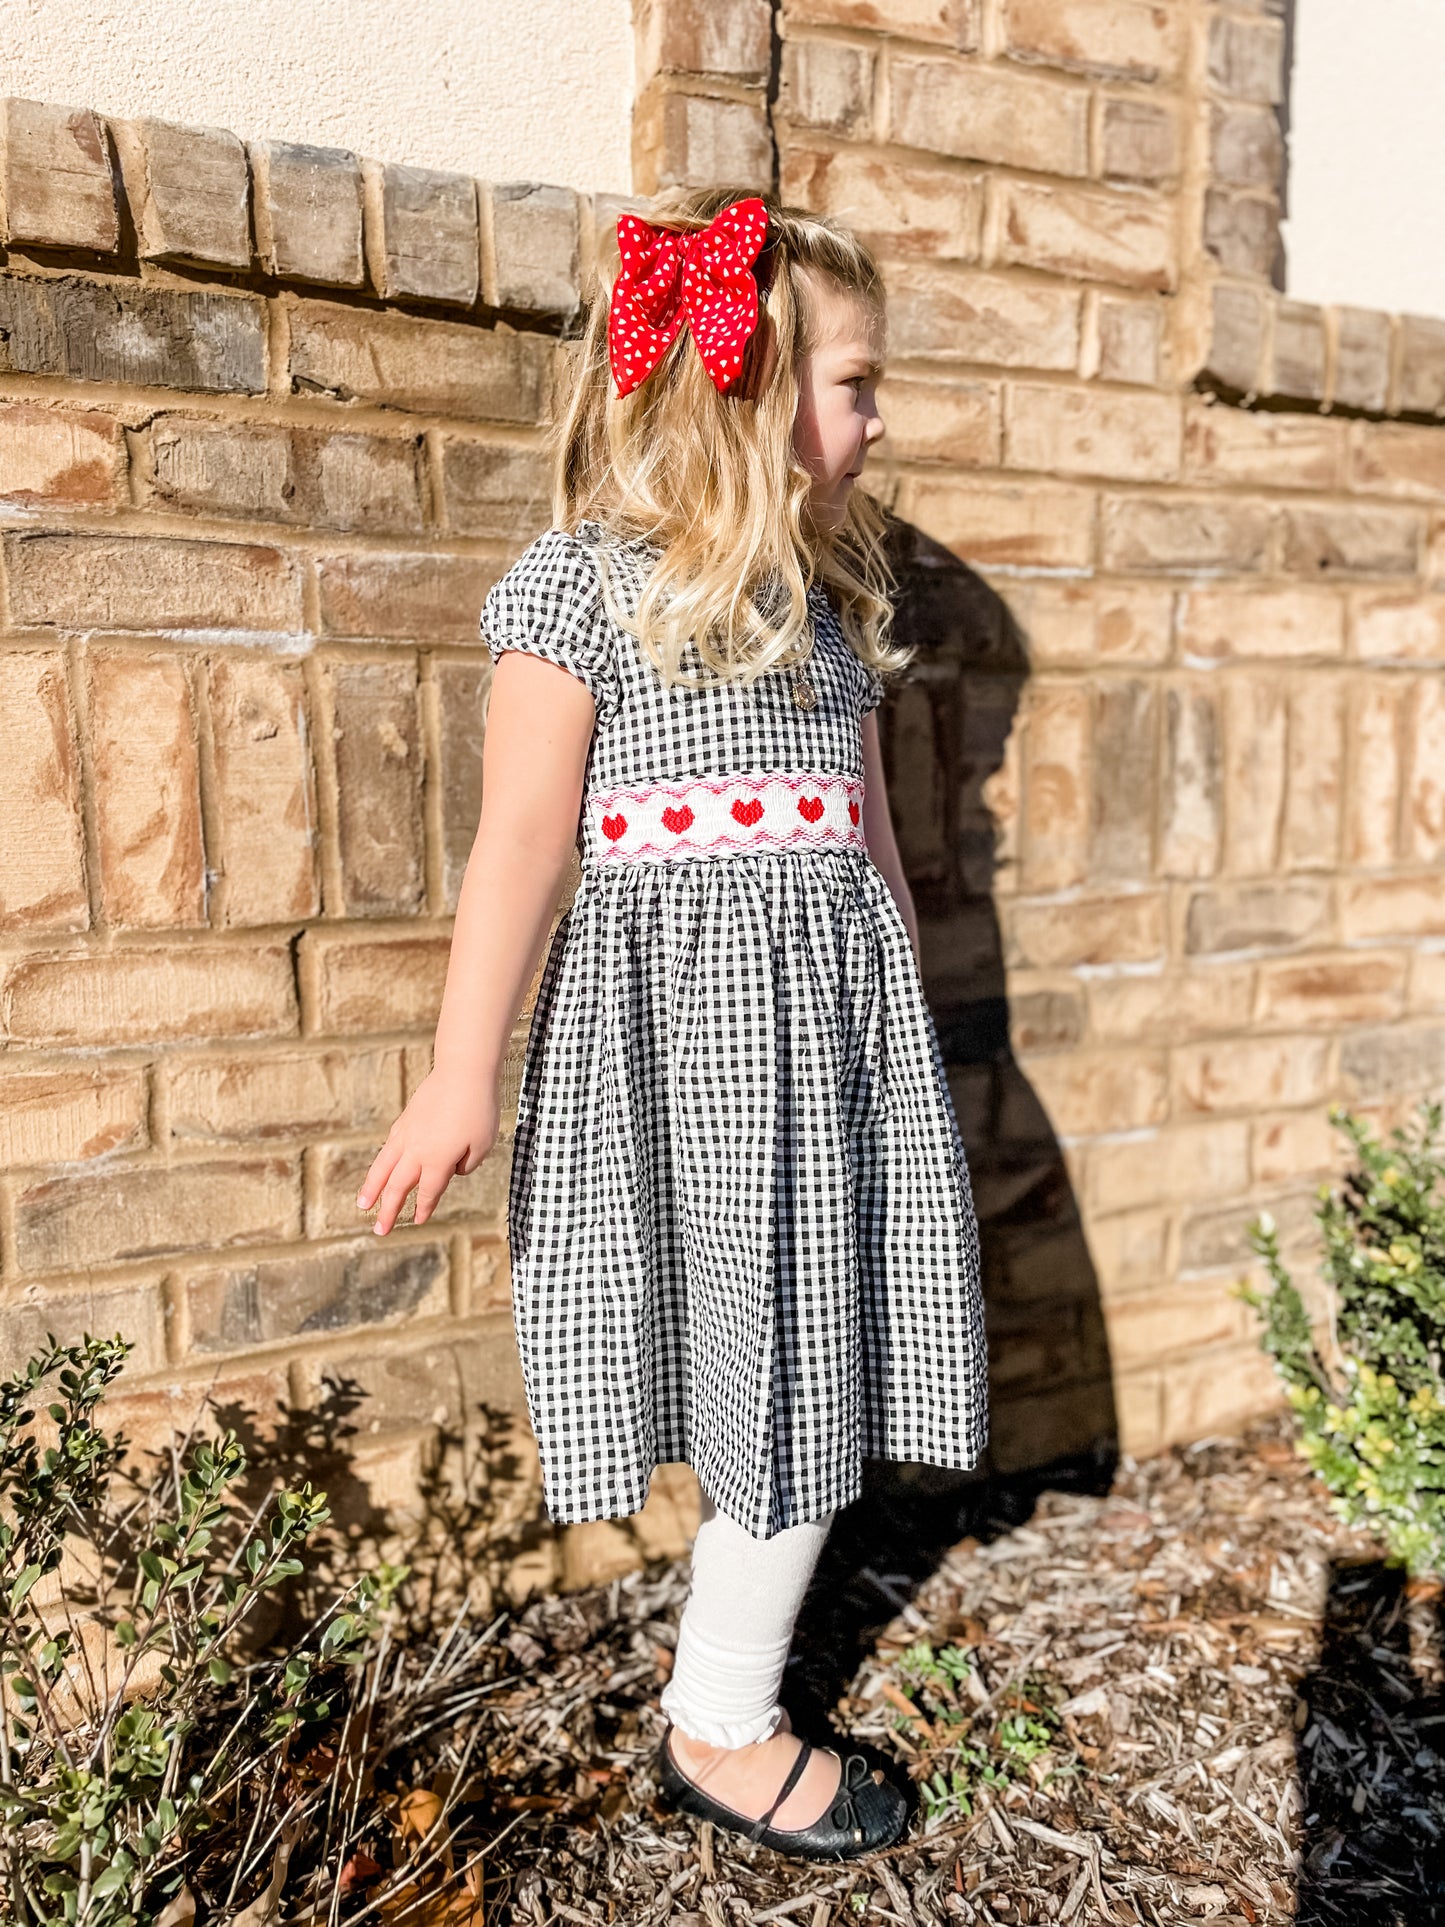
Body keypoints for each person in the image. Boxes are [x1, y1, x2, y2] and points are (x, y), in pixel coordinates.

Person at [356, 186, 988, 1862]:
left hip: (834, 1057)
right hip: (675, 1055)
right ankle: (719, 1722)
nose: (876, 417)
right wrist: (456, 1072)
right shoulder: (582, 593)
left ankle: (724, 1687)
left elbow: (867, 846)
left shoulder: (831, 616)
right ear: (749, 385)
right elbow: (517, 844)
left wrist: (898, 1040)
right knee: (761, 1367)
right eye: (853, 380)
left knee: (815, 1360)